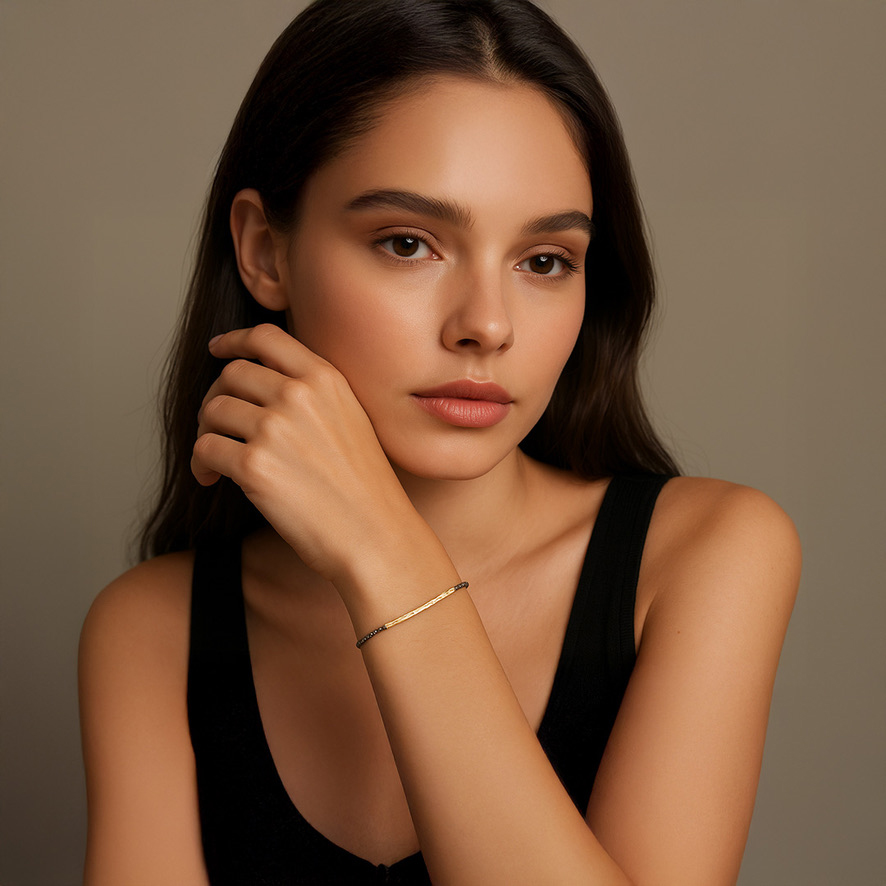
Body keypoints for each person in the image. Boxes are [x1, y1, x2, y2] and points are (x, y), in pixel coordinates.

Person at [78, 1, 801, 883]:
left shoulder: (705, 553)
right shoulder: (152, 630)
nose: (487, 326)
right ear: (265, 252)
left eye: (545, 261)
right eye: (409, 243)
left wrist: (387, 557)